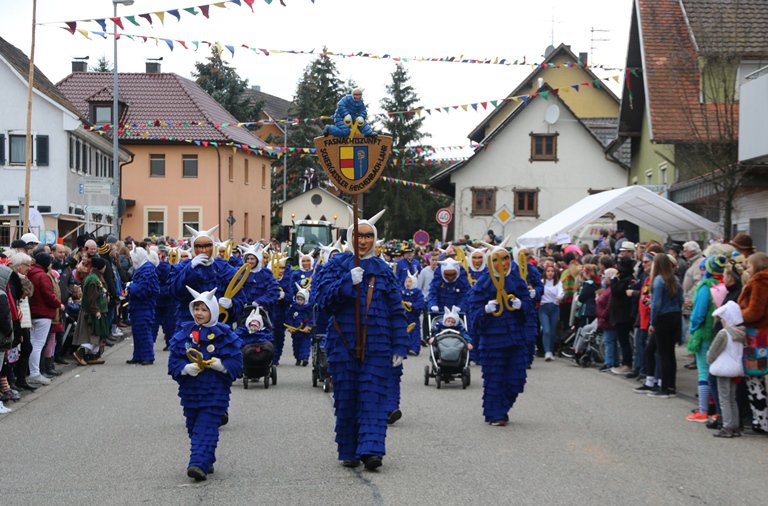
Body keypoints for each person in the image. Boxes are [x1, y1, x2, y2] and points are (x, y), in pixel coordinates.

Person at [312, 210, 409, 471]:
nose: (363, 240)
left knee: (373, 397)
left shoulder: (384, 271)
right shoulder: (335, 265)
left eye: (368, 236)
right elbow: (321, 300)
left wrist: (399, 346)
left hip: (378, 344)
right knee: (347, 398)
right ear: (350, 237)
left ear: (375, 239)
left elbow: (396, 310)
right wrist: (347, 282)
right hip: (342, 344)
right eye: (358, 235)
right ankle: (349, 449)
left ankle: (372, 450)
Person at [167, 286, 243, 482]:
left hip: (215, 391)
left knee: (206, 426)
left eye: (204, 309)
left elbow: (236, 364)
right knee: (193, 426)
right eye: (196, 309)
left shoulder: (225, 334)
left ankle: (197, 465)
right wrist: (185, 368)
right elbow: (174, 362)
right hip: (190, 392)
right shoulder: (185, 332)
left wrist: (221, 365)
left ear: (213, 311)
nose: (199, 313)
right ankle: (206, 458)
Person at [466, 240, 533, 426]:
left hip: (515, 338)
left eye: (506, 258)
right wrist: (485, 310)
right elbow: (473, 313)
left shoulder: (517, 280)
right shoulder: (483, 283)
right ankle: (496, 414)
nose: (502, 263)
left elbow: (529, 308)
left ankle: (502, 407)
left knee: (517, 379)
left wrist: (521, 306)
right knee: (494, 379)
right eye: (496, 259)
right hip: (492, 341)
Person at [170, 226, 247, 330]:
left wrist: (232, 304)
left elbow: (240, 299)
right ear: (193, 247)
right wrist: (190, 269)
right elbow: (175, 292)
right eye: (199, 246)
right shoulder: (182, 267)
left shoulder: (225, 268)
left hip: (219, 325)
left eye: (208, 245)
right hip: (189, 324)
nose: (204, 250)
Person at [687, 255, 727, 422]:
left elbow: (698, 314)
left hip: (704, 333)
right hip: (719, 332)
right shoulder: (724, 285)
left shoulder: (705, 287)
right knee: (715, 371)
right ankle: (714, 407)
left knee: (704, 371)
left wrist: (692, 327)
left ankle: (703, 410)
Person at [640, 254, 683, 398]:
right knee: (669, 353)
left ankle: (664, 387)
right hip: (675, 316)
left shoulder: (658, 280)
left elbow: (656, 304)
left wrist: (653, 322)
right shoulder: (675, 279)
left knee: (663, 353)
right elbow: (681, 299)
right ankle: (671, 386)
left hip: (662, 318)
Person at [737, 252, 768, 433]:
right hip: (762, 333)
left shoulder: (759, 282)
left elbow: (755, 311)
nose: (747, 269)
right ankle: (760, 418)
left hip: (755, 335)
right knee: (758, 377)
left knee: (754, 377)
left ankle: (761, 420)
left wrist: (737, 315)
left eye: (749, 265)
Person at [707, 301, 746, 437]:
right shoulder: (741, 333)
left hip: (723, 369)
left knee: (724, 398)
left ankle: (727, 427)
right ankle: (735, 425)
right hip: (736, 368)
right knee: (732, 398)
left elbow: (713, 352)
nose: (721, 321)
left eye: (723, 318)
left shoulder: (724, 333)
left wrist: (710, 361)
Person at [27, 252, 61, 386]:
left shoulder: (32, 274)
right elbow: (48, 294)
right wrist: (58, 304)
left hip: (33, 312)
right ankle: (35, 373)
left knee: (34, 343)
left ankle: (34, 372)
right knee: (38, 344)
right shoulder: (43, 276)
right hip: (43, 313)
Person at [72, 256, 110, 366]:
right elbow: (91, 298)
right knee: (92, 335)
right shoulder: (93, 279)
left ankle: (92, 356)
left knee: (98, 334)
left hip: (98, 311)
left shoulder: (96, 277)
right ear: (100, 267)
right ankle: (80, 353)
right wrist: (96, 310)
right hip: (92, 313)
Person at [126, 247, 159, 365]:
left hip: (144, 307)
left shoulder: (147, 270)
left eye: (132, 258)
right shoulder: (142, 269)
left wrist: (130, 286)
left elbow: (143, 290)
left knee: (144, 332)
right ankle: (138, 356)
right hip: (139, 307)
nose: (131, 261)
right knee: (137, 332)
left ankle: (148, 356)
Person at [609, 256, 635, 375]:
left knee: (624, 340)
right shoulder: (625, 279)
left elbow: (616, 291)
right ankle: (625, 362)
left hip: (624, 315)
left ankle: (627, 363)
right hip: (620, 314)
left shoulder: (627, 280)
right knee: (623, 340)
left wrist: (614, 280)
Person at [539, 261, 563, 361]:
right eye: (548, 271)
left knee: (553, 331)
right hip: (543, 308)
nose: (550, 273)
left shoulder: (558, 283)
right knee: (547, 330)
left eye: (552, 271)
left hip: (554, 308)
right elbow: (538, 292)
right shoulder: (541, 282)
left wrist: (559, 297)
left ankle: (551, 351)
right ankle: (547, 351)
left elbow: (561, 292)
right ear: (545, 272)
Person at [596, 268, 618, 371]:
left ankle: (609, 362)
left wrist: (603, 315)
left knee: (609, 341)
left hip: (607, 319)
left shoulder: (611, 290)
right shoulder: (608, 289)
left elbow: (609, 305)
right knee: (610, 341)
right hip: (604, 318)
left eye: (605, 277)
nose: (604, 279)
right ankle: (613, 361)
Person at [286, 285, 312, 366]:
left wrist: (308, 326)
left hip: (305, 332)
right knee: (296, 345)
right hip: (296, 331)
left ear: (306, 299)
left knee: (305, 345)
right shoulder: (293, 308)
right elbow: (289, 318)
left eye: (302, 300)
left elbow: (312, 318)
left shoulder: (308, 309)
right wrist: (290, 327)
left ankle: (305, 358)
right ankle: (298, 358)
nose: (299, 301)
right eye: (298, 299)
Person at [401, 272, 425, 356]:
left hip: (413, 316)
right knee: (404, 331)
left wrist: (413, 305)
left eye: (410, 282)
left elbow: (421, 303)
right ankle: (404, 348)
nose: (408, 284)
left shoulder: (417, 292)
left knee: (414, 332)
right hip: (404, 316)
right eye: (407, 282)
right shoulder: (402, 292)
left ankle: (414, 348)